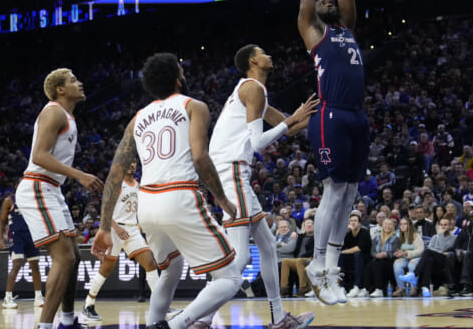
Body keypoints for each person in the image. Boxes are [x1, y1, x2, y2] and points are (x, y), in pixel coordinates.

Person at [91, 53, 240, 329]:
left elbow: (114, 174)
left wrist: (103, 227)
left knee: (170, 269)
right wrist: (222, 199)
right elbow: (200, 159)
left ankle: (153, 324)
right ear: (178, 78)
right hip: (179, 194)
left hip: (146, 204)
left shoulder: (138, 118)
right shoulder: (195, 106)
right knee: (230, 278)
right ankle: (175, 325)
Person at [205, 43, 317, 328]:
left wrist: (325, 116)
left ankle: (280, 318)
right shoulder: (253, 87)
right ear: (253, 61)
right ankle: (197, 317)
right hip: (231, 171)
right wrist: (292, 119)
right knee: (240, 257)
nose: (270, 55)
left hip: (231, 173)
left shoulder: (253, 92)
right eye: (264, 52)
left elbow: (290, 126)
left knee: (267, 246)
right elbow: (258, 143)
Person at [296, 0, 370, 306]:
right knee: (334, 191)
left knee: (350, 191)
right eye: (321, 1)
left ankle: (331, 267)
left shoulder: (348, 27)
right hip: (331, 115)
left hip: (357, 116)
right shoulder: (313, 31)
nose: (326, 1)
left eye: (330, 0)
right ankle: (317, 265)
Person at [15, 68, 104, 329]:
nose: (81, 82)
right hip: (37, 186)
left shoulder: (68, 116)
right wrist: (79, 175)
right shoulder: (53, 111)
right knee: (63, 257)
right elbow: (39, 156)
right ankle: (44, 326)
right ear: (60, 90)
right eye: (74, 80)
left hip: (51, 188)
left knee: (73, 256)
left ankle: (67, 321)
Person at [82, 162, 162, 321]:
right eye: (129, 162)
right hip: (114, 230)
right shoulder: (116, 183)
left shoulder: (137, 185)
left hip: (132, 230)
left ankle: (160, 305)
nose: (131, 165)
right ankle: (88, 304)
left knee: (150, 263)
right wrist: (116, 228)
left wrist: (139, 223)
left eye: (134, 163)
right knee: (105, 270)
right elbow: (104, 209)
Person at [0, 195, 44, 309]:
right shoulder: (9, 200)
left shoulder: (33, 199)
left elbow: (39, 219)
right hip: (16, 235)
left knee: (35, 266)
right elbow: (2, 221)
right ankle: (7, 298)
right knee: (17, 264)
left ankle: (38, 297)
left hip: (31, 234)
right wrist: (0, 239)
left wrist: (41, 237)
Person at [391, 217, 424, 297]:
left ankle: (414, 288)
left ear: (409, 225)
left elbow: (421, 250)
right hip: (406, 258)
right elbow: (400, 251)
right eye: (401, 224)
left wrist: (408, 253)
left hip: (417, 257)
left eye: (405, 224)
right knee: (397, 263)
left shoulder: (415, 235)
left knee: (411, 264)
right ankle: (401, 288)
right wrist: (399, 253)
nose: (402, 226)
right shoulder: (400, 236)